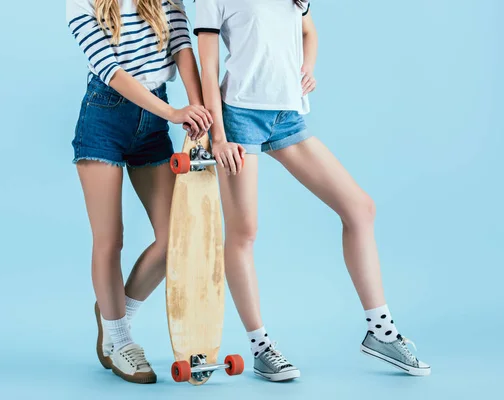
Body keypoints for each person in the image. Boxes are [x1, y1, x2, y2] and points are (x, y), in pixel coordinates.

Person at [194, 0, 430, 381]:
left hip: (287, 113)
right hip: (240, 115)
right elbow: (207, 67)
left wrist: (308, 68)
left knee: (359, 208)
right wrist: (218, 137)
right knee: (244, 232)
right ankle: (260, 348)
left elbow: (308, 30)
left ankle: (380, 332)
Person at [66, 0, 212, 384]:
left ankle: (117, 316)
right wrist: (174, 114)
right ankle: (119, 340)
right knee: (110, 239)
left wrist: (197, 110)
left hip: (154, 120)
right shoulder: (81, 2)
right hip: (104, 118)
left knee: (174, 241)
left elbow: (182, 47)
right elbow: (111, 72)